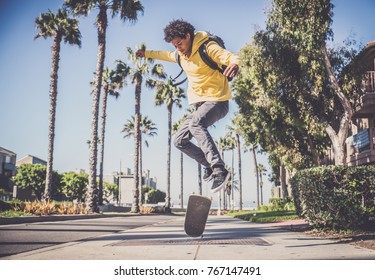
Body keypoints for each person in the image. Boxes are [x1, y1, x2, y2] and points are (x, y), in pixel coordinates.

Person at [136, 19, 240, 193]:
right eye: (175, 45)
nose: (178, 48)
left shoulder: (208, 48)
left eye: (180, 43)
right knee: (179, 140)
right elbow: (164, 55)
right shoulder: (179, 56)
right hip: (201, 106)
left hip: (218, 101)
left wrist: (235, 64)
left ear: (188, 36)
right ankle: (208, 163)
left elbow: (231, 56)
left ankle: (219, 169)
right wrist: (146, 54)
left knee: (196, 123)